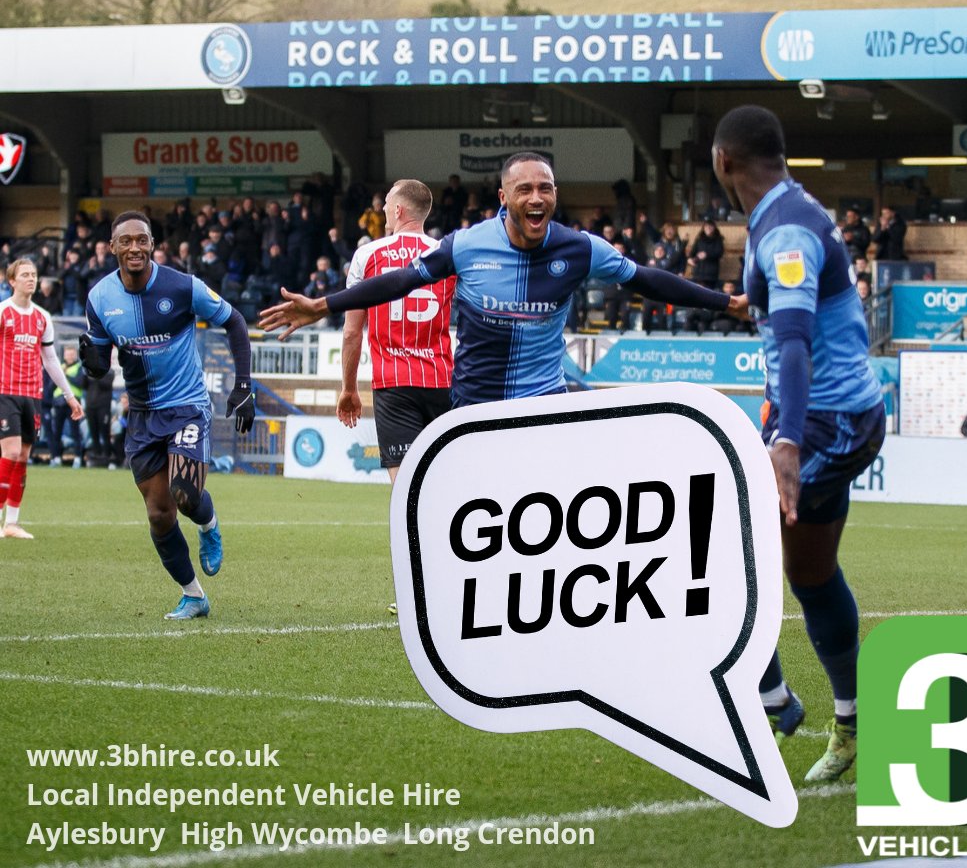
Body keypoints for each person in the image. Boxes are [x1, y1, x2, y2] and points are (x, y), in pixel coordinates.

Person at [260, 153, 746, 404]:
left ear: (555, 195)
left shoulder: (580, 249)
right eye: (524, 189)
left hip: (544, 402)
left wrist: (728, 304)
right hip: (476, 404)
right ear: (503, 196)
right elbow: (399, 281)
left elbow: (648, 280)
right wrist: (323, 304)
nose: (536, 197)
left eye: (545, 188)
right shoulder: (466, 246)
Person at [711, 105, 885, 784]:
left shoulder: (785, 230)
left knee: (721, 539)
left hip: (825, 421)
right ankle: (852, 725)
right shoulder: (786, 212)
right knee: (810, 572)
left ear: (723, 161)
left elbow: (793, 341)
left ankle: (770, 697)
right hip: (827, 416)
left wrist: (785, 439)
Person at [79, 212, 255, 620]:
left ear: (152, 244)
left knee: (185, 494)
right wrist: (92, 363)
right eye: (126, 241)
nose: (135, 248)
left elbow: (234, 321)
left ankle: (208, 525)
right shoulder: (99, 298)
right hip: (142, 415)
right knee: (159, 513)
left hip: (186, 406)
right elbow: (100, 363)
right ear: (112, 246)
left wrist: (244, 385)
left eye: (142, 240)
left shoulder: (182, 287)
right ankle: (193, 595)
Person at [337, 179, 455, 483]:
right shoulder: (447, 254)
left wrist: (349, 388)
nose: (384, 210)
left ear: (399, 210)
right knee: (447, 481)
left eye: (387, 204)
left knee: (406, 488)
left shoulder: (368, 255)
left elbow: (352, 333)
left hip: (394, 383)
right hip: (442, 380)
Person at [0, 258, 85, 538]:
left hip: (32, 394)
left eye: (34, 274)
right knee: (11, 452)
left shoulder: (42, 317)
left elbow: (50, 359)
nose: (31, 279)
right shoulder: (3, 311)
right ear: (12, 281)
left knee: (23, 456)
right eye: (25, 274)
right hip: (5, 392)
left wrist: (70, 396)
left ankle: (12, 523)